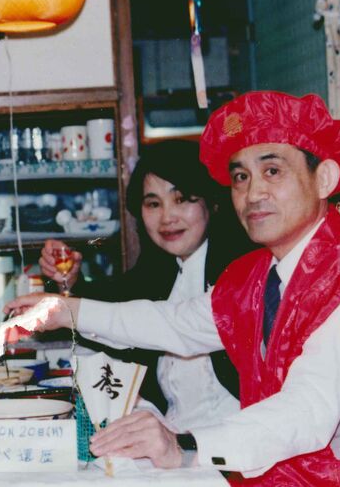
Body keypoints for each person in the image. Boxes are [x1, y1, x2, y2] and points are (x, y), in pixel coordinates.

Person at [6, 91, 340, 484]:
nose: (252, 194)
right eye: (241, 177)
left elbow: (305, 413)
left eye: (272, 171)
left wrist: (185, 446)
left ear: (324, 179)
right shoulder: (257, 275)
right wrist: (65, 310)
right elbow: (177, 324)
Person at [38, 140, 254, 433]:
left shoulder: (242, 268)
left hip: (237, 446)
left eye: (181, 199)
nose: (167, 217)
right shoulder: (161, 270)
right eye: (153, 204)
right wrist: (68, 280)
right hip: (174, 442)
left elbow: (170, 325)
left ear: (212, 202)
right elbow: (113, 308)